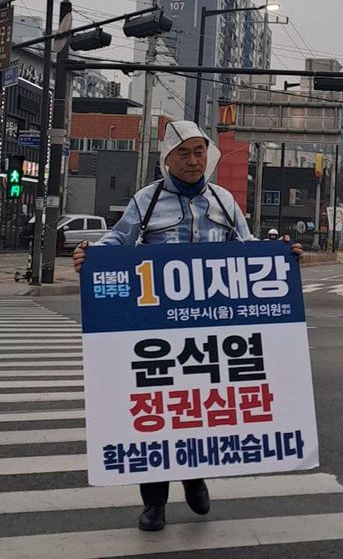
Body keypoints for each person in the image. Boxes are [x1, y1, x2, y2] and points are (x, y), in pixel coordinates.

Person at [73, 119, 302, 532]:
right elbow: (117, 241)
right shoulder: (146, 201)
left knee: (197, 409)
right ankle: (154, 504)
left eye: (199, 152)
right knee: (157, 412)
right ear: (168, 158)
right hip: (155, 328)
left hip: (211, 328)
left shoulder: (224, 202)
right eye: (184, 153)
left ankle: (195, 477)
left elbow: (247, 247)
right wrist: (89, 257)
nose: (193, 160)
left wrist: (282, 256)